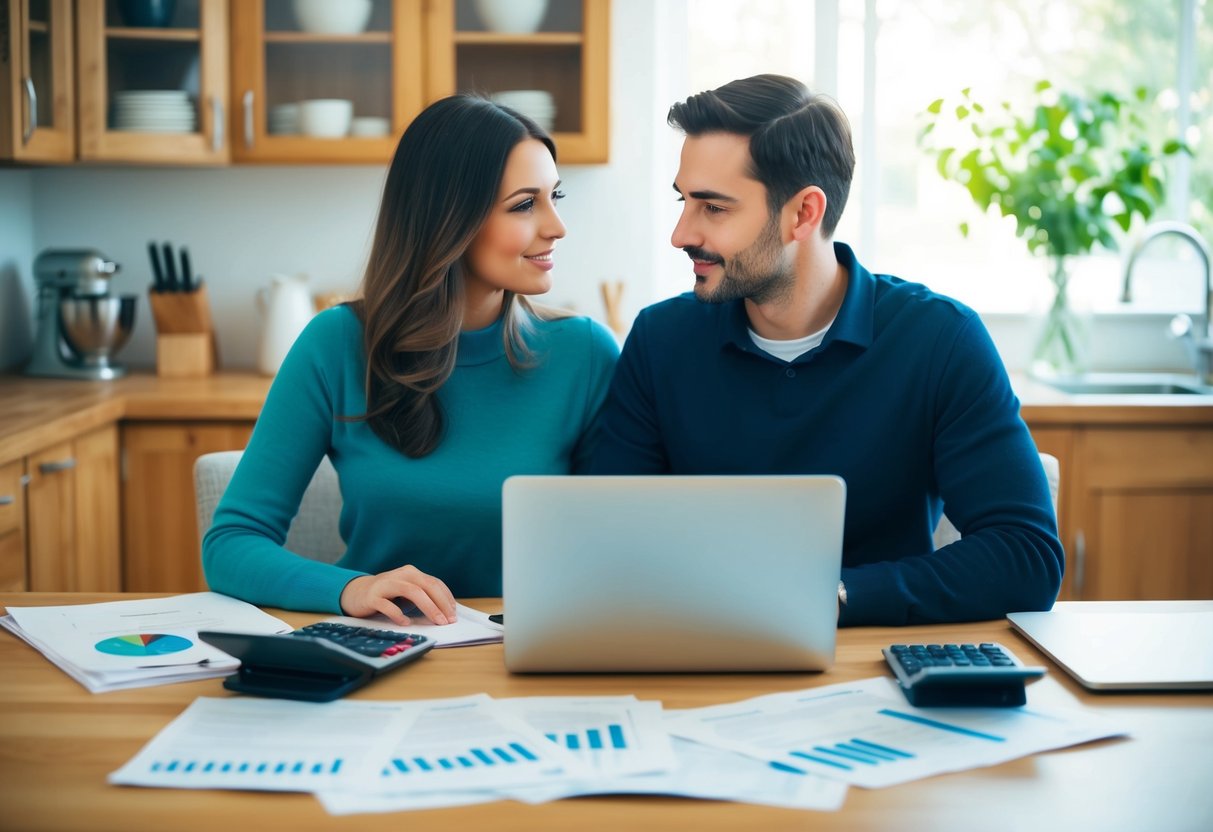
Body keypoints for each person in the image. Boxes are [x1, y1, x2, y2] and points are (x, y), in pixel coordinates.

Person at [588, 74, 1063, 626]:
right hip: (700, 650)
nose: (680, 233)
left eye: (713, 208)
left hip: (875, 659)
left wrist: (832, 597)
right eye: (683, 201)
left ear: (803, 213)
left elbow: (1025, 555)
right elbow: (608, 543)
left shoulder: (939, 339)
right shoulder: (659, 341)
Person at [204, 95, 619, 626]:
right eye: (524, 204)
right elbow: (231, 544)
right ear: (449, 218)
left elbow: (616, 545)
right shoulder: (335, 345)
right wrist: (351, 588)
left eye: (555, 196)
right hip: (380, 646)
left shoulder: (584, 353)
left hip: (533, 647)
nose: (557, 226)